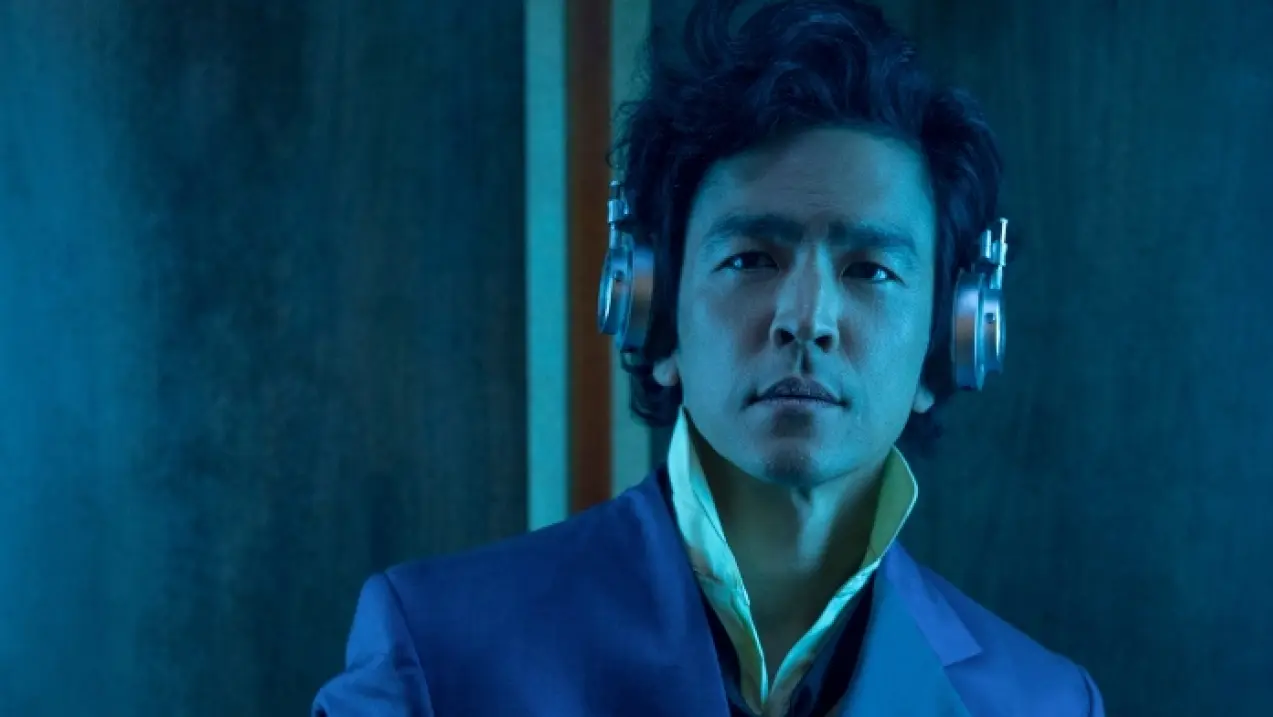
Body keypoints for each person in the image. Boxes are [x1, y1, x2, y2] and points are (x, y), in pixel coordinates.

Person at [312, 1, 1104, 714]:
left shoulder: (1044, 703)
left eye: (870, 271)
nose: (806, 318)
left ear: (950, 339)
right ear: (655, 315)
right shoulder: (434, 652)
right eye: (752, 259)